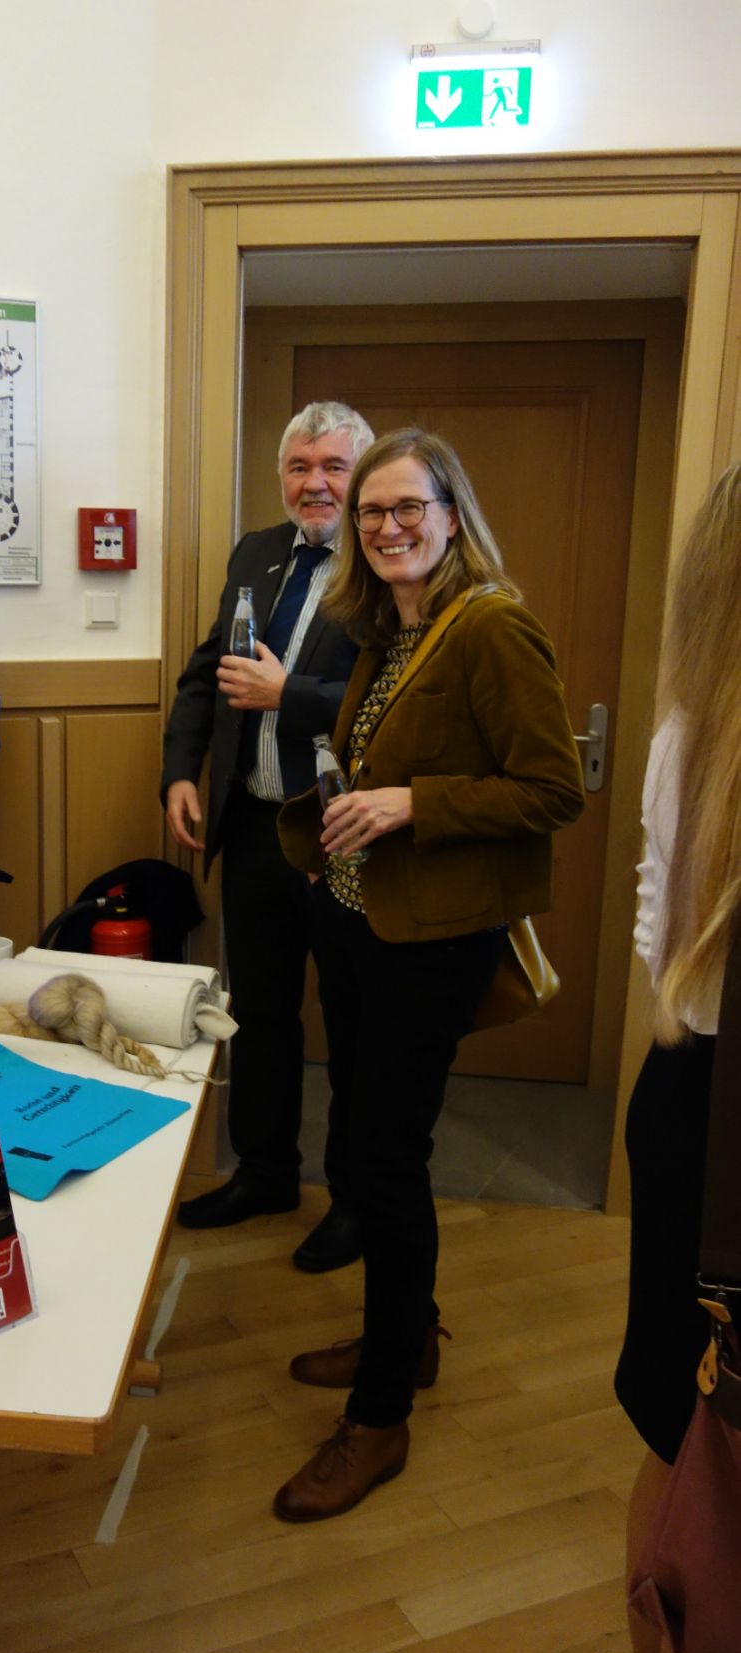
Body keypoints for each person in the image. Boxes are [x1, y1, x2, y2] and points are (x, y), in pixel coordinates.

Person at [273, 427, 585, 1522]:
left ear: (453, 515)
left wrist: (413, 804)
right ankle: (408, 1341)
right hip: (364, 923)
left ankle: (378, 1418)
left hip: (432, 945)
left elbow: (553, 790)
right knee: (369, 1143)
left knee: (382, 1162)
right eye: (372, 513)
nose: (391, 527)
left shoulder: (493, 628)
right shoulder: (386, 628)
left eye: (411, 507)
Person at [162, 401, 374, 1272]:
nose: (315, 482)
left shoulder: (392, 559)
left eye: (332, 466)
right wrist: (182, 767)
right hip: (252, 827)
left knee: (359, 1024)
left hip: (342, 836)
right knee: (262, 1011)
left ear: (360, 475)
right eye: (299, 466)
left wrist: (292, 694)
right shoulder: (256, 551)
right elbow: (208, 671)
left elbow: (388, 697)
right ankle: (266, 1170)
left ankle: (359, 1202)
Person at [609, 462, 741, 1653]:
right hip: (710, 1110)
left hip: (684, 1086)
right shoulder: (690, 740)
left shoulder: (679, 734)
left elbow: (662, 950)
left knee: (673, 1415)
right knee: (696, 1427)